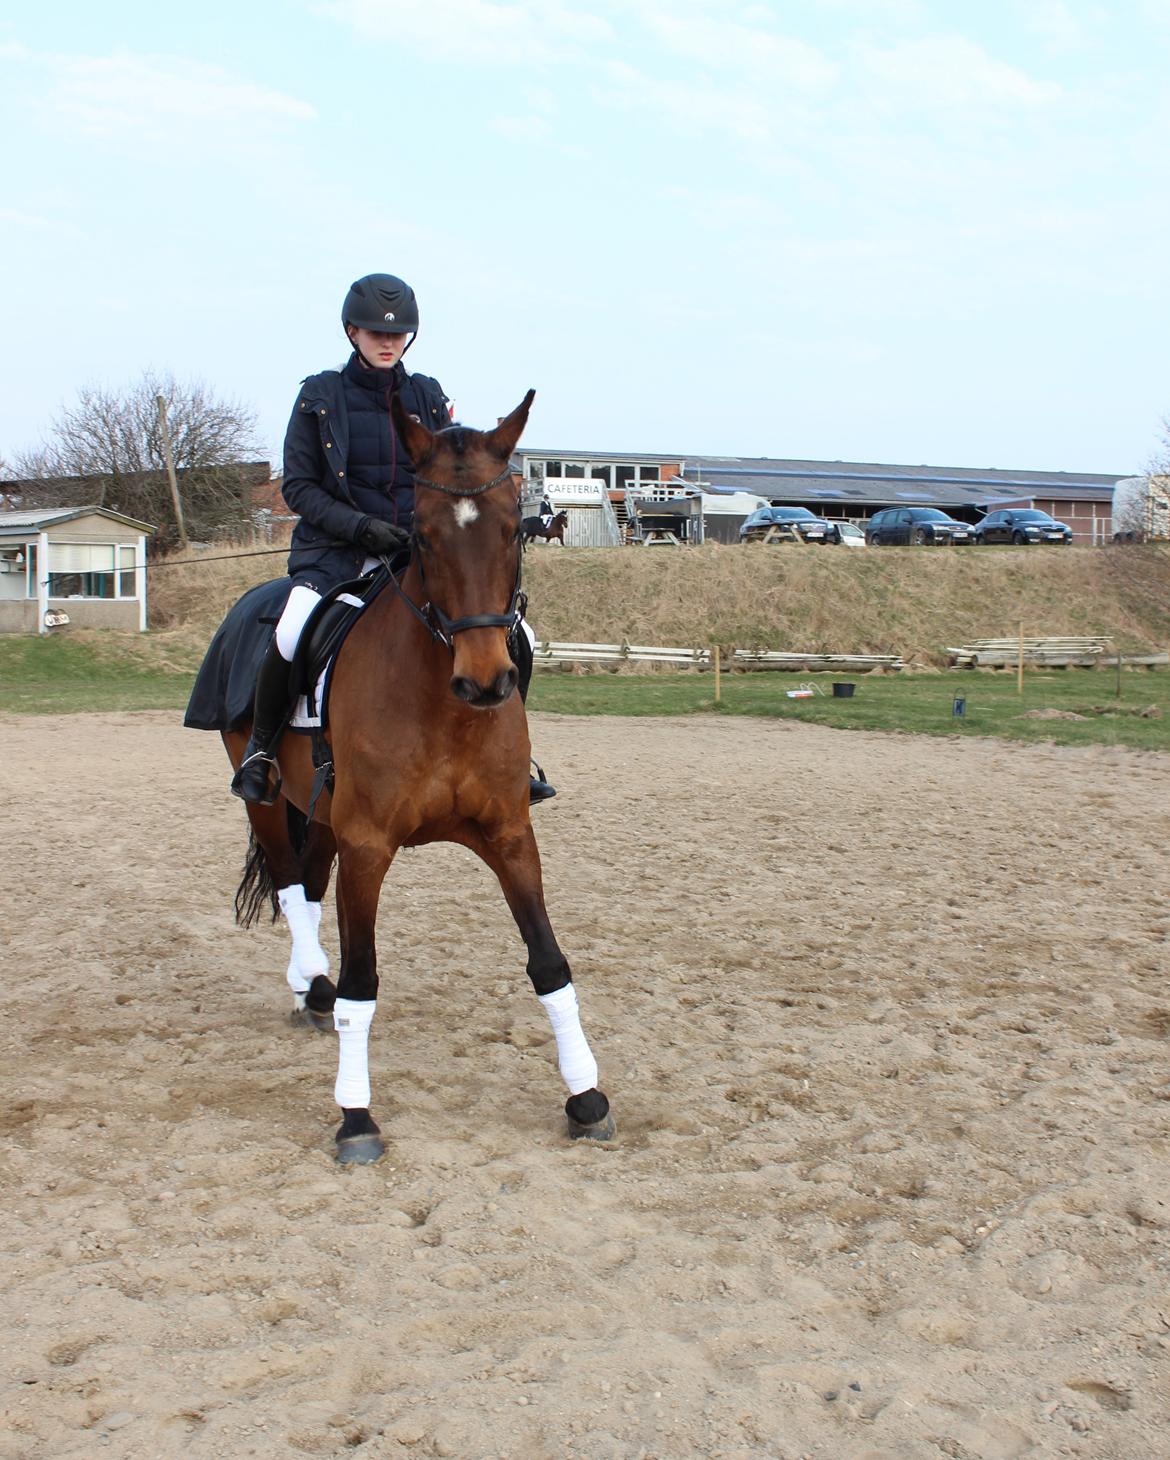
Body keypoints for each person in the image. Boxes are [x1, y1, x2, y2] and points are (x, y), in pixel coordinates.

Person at [231, 272, 556, 806]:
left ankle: (512, 759)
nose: (387, 342)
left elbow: (453, 476)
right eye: (375, 333)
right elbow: (299, 487)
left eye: (397, 334)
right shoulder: (320, 396)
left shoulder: (426, 395)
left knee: (521, 633)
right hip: (336, 554)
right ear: (352, 332)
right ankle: (261, 751)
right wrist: (361, 527)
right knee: (292, 631)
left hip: (415, 554)